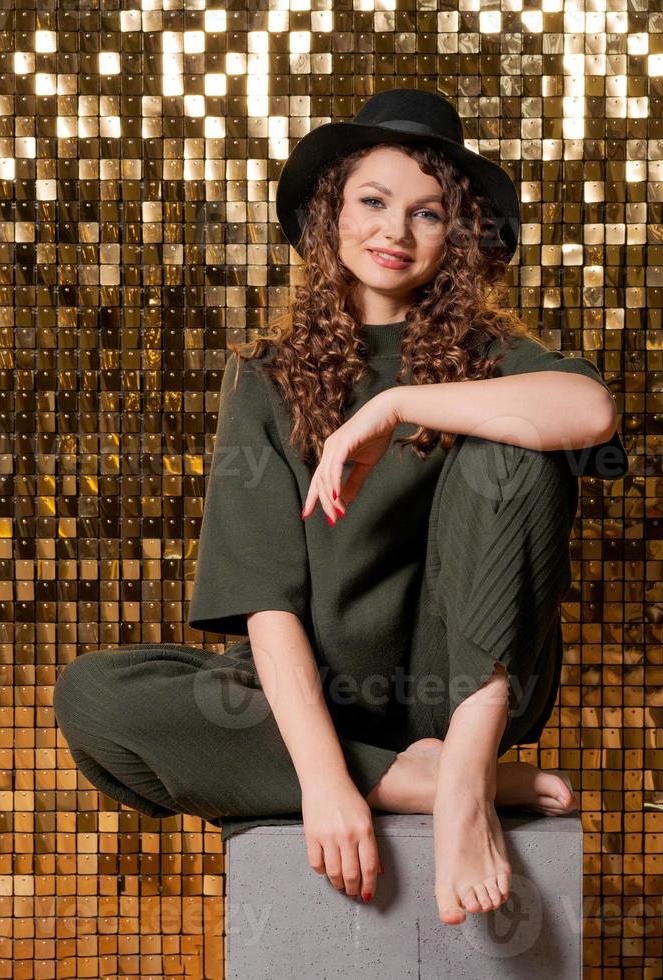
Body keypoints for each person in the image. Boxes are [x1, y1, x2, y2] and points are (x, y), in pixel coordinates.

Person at [53, 87, 628, 927]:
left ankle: (465, 776)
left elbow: (591, 414)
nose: (395, 232)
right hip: (318, 697)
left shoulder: (493, 358)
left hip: (461, 687)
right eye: (374, 202)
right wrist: (326, 780)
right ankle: (415, 778)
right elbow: (266, 601)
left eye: (427, 214)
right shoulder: (265, 378)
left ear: (455, 237)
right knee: (95, 696)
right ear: (331, 216)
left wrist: (396, 407)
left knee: (517, 432)